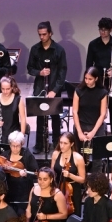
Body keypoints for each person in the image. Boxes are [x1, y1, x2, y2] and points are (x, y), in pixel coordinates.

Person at [27, 21, 68, 153]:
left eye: (44, 34)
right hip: (40, 87)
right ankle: (39, 144)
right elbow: (30, 68)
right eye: (40, 34)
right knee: (40, 116)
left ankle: (56, 143)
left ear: (50, 33)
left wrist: (54, 90)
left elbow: (62, 72)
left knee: (55, 116)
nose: (42, 37)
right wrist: (40, 72)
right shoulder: (35, 49)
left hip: (54, 88)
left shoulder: (59, 50)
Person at [51, 132, 86, 217]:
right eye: (61, 142)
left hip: (72, 191)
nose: (62, 146)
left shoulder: (78, 158)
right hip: (58, 187)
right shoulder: (55, 154)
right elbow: (51, 172)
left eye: (65, 143)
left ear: (72, 144)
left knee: (73, 216)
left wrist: (70, 175)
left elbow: (82, 179)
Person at [72, 67, 109, 144]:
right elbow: (74, 112)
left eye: (90, 79)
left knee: (98, 149)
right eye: (85, 78)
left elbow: (103, 114)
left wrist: (93, 132)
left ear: (96, 79)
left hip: (96, 126)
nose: (87, 81)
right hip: (81, 125)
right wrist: (79, 132)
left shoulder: (102, 92)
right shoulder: (78, 90)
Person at [0, 131, 37, 205]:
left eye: (17, 146)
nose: (15, 148)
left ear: (22, 144)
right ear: (9, 144)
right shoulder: (4, 156)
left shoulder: (27, 155)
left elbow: (35, 173)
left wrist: (26, 174)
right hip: (8, 190)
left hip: (24, 190)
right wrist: (2, 169)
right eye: (13, 145)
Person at [0, 76, 27, 145]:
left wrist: (22, 135)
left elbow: (23, 119)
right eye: (3, 89)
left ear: (12, 87)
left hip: (14, 135)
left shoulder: (18, 100)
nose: (5, 91)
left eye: (8, 89)